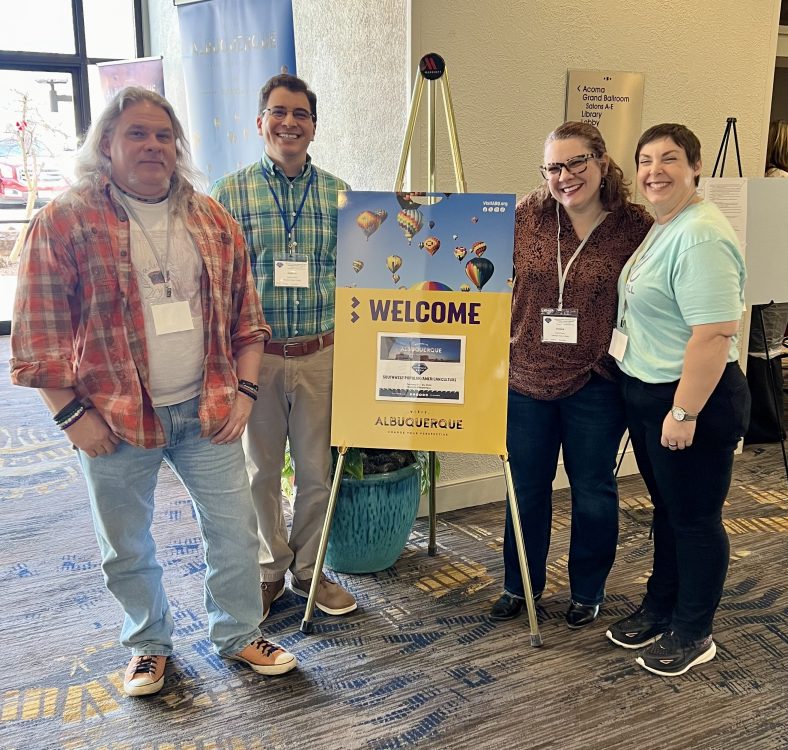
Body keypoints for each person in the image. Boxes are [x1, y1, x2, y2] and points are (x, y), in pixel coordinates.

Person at [10, 87, 297, 697]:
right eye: (137, 134)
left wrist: (244, 391)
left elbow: (249, 320)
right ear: (106, 145)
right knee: (126, 541)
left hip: (209, 407)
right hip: (111, 417)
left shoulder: (210, 218)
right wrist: (69, 417)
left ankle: (238, 631)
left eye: (163, 136)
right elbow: (39, 338)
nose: (152, 146)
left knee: (233, 531)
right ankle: (147, 643)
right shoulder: (64, 221)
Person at [490, 122, 652, 628]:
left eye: (576, 162)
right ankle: (520, 585)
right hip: (525, 379)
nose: (565, 177)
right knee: (526, 488)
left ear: (602, 162)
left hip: (595, 381)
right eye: (554, 167)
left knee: (593, 490)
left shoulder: (634, 226)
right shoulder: (525, 216)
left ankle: (588, 590)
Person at [211, 74, 357, 620]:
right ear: (260, 122)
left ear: (314, 126)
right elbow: (217, 282)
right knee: (261, 470)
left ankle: (311, 571)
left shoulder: (342, 197)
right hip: (259, 358)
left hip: (321, 354)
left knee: (317, 470)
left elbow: (356, 278)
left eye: (300, 113)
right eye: (278, 112)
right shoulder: (228, 195)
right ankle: (270, 567)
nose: (289, 122)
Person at [606, 123, 750, 676]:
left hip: (693, 399)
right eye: (645, 160)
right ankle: (661, 604)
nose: (654, 171)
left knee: (694, 519)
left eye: (669, 159)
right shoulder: (666, 224)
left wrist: (684, 411)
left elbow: (714, 333)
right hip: (651, 392)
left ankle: (694, 630)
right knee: (668, 511)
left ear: (695, 168)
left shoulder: (701, 233)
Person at [743, 119, 788, 443]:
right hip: (780, 279)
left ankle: (767, 425)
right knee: (768, 348)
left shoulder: (776, 184)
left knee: (761, 349)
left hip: (772, 280)